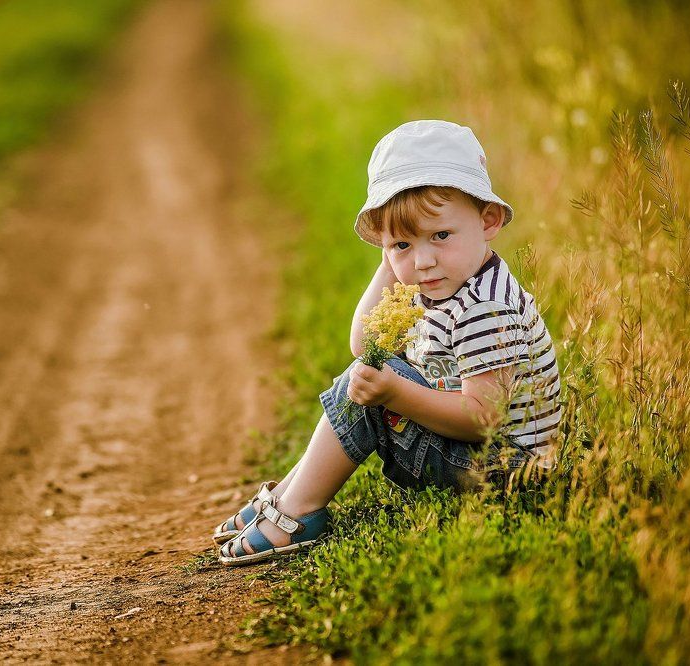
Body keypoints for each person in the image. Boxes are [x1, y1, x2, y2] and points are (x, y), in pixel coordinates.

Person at [214, 120, 562, 566]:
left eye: (440, 235)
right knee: (369, 372)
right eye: (402, 243)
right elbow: (365, 343)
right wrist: (389, 264)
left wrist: (397, 393)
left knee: (381, 381)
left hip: (511, 474)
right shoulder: (443, 278)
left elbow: (483, 417)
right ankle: (289, 495)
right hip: (481, 456)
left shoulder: (483, 307)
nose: (424, 260)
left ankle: (297, 510)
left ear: (488, 220)